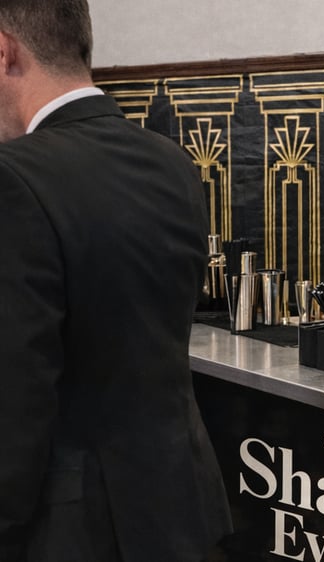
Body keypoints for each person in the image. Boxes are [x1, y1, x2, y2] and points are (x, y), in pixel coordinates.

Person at [0, 1, 231, 560]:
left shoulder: (14, 178)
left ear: (4, 52)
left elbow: (15, 395)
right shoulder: (171, 161)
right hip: (182, 506)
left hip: (70, 529)